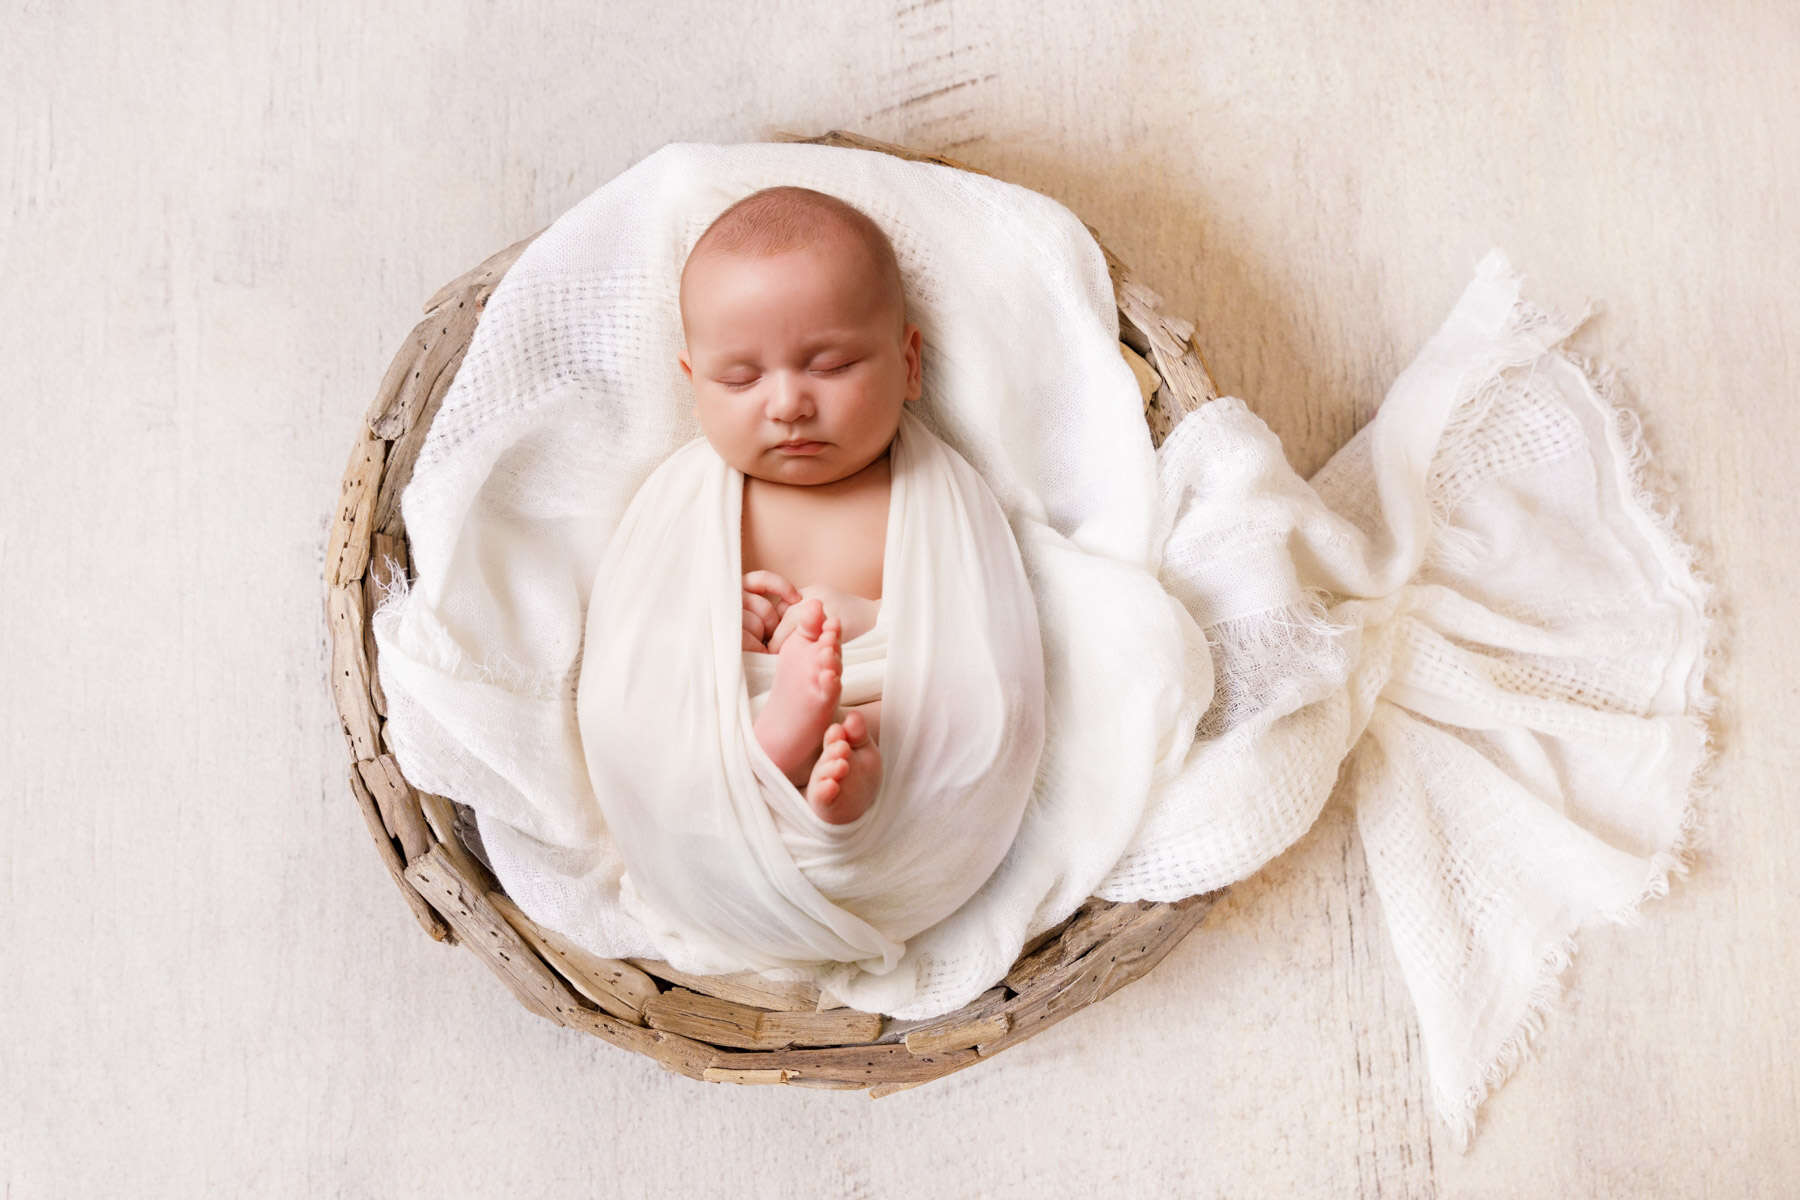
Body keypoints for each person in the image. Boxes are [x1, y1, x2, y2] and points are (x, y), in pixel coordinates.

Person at [676, 186, 922, 825]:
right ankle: (775, 748)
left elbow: (975, 624)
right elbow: (634, 631)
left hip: (875, 704)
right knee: (679, 711)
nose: (788, 404)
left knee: (924, 706)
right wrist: (714, 621)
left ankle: (840, 779)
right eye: (739, 379)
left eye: (833, 365)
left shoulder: (927, 495)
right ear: (695, 389)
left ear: (910, 364)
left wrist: (869, 619)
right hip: (734, 714)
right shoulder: (688, 501)